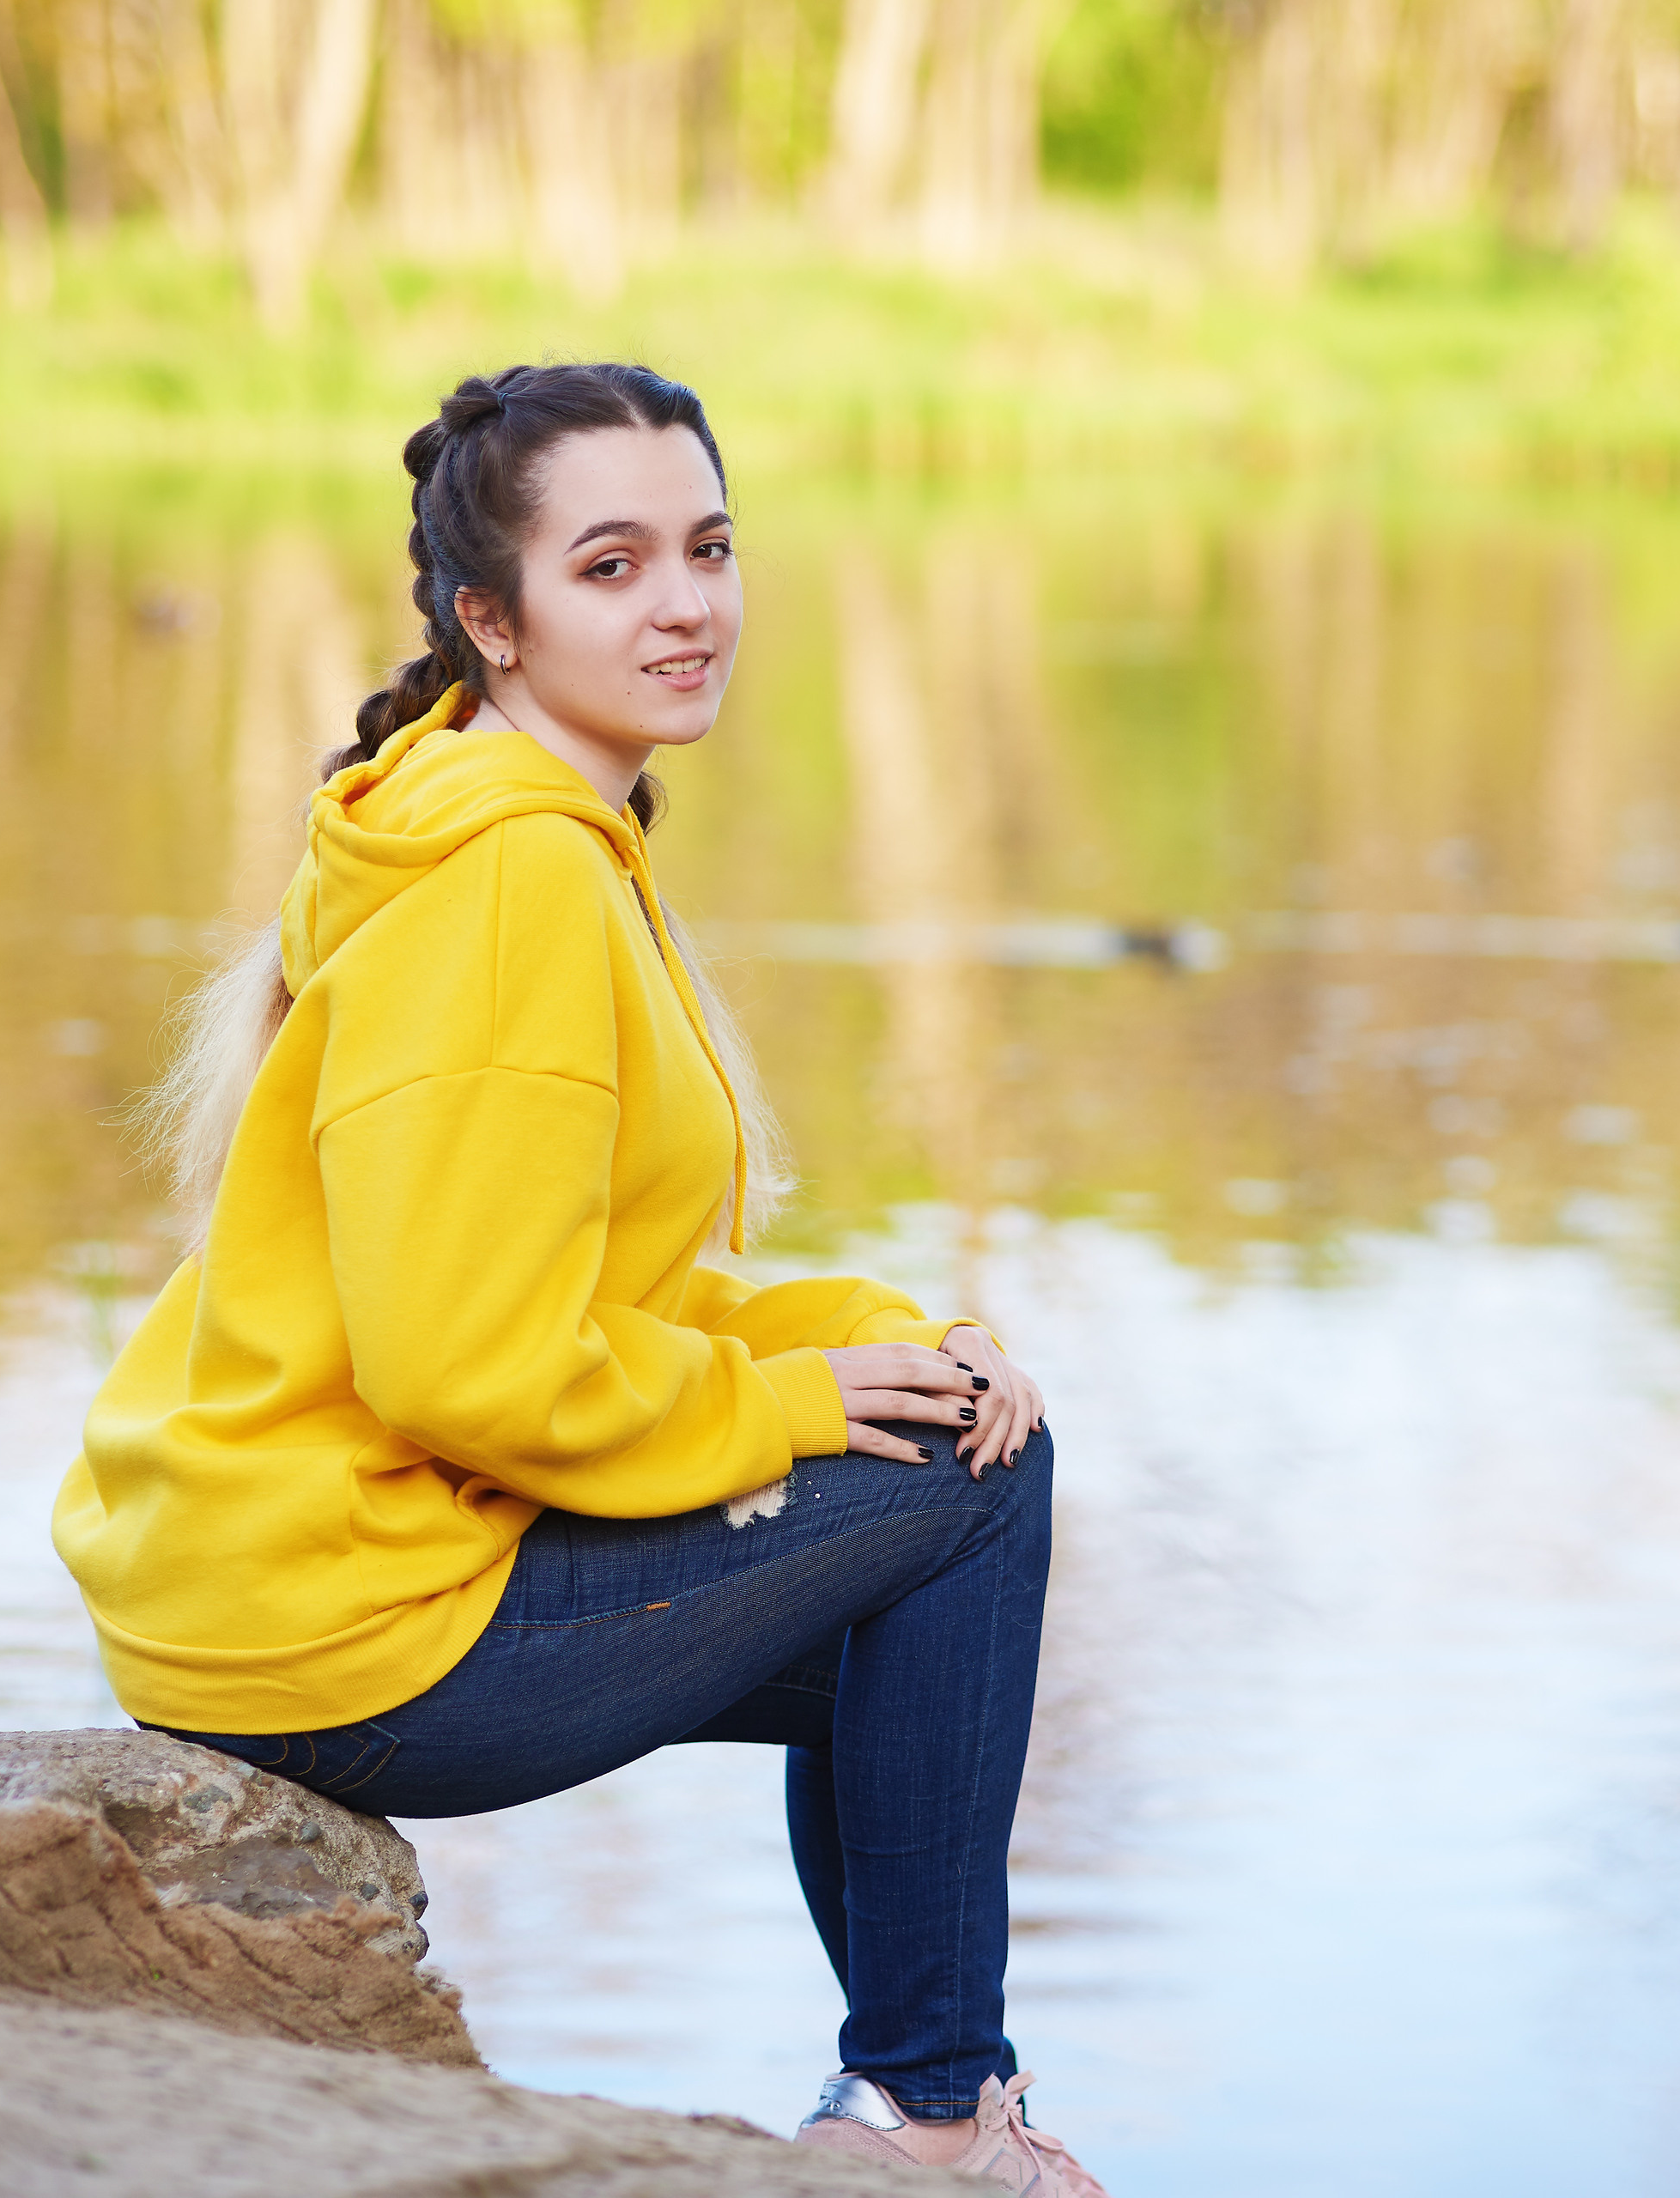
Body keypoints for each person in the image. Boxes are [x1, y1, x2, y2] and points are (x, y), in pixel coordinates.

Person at [53, 361, 1105, 2190]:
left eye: (706, 547)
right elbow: (464, 1362)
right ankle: (934, 2107)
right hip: (343, 1621)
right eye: (610, 565)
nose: (684, 603)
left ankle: (929, 2098)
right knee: (961, 1505)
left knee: (917, 1545)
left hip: (289, 1577)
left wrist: (877, 1336)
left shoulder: (510, 826)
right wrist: (796, 1403)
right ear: (495, 616)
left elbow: (599, 1283)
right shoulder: (514, 884)